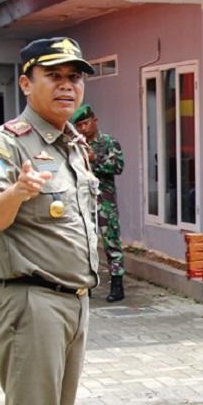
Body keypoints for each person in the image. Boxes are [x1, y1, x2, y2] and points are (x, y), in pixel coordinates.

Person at [0, 37, 98, 405]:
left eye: (74, 77)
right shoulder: (7, 143)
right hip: (33, 304)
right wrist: (17, 193)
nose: (67, 86)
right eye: (54, 76)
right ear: (26, 84)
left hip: (74, 301)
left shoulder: (72, 145)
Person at [70, 104, 126, 302]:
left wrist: (95, 159)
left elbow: (118, 167)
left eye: (85, 123)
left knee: (111, 240)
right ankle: (87, 283)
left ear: (95, 120)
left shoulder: (109, 142)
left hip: (105, 199)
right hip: (82, 200)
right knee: (84, 241)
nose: (83, 129)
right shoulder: (74, 144)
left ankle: (117, 283)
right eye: (79, 126)